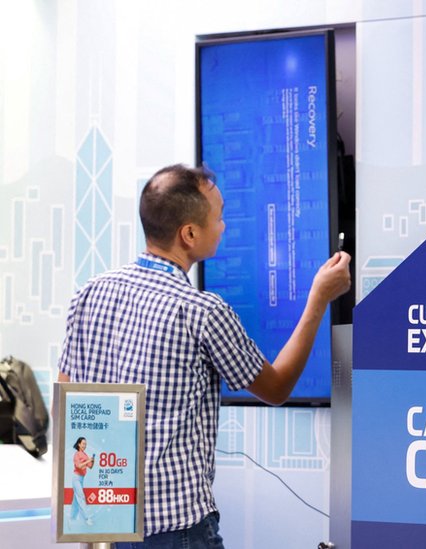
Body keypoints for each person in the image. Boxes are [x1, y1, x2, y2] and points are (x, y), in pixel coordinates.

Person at [58, 164, 351, 548]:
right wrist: (318, 300)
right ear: (189, 234)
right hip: (177, 534)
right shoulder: (202, 311)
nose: (225, 226)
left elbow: (67, 403)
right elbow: (277, 387)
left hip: (101, 526)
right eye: (219, 216)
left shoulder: (88, 294)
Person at [71, 436, 95, 526]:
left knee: (76, 500)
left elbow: (90, 466)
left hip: (81, 479)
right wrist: (88, 461)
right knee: (81, 497)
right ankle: (87, 519)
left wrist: (92, 460)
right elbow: (79, 466)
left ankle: (72, 518)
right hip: (76, 478)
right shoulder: (77, 454)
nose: (85, 445)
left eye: (86, 444)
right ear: (79, 444)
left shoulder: (85, 455)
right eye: (83, 444)